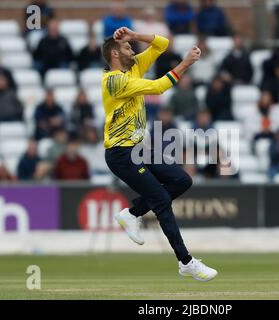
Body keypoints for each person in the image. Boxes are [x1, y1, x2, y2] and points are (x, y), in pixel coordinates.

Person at [101, 27, 217, 280]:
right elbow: (158, 87)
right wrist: (185, 64)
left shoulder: (131, 68)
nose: (132, 48)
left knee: (182, 180)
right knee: (161, 201)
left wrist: (133, 35)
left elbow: (162, 43)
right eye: (127, 47)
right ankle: (186, 262)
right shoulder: (114, 80)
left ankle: (132, 213)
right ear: (114, 54)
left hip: (139, 149)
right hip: (121, 154)